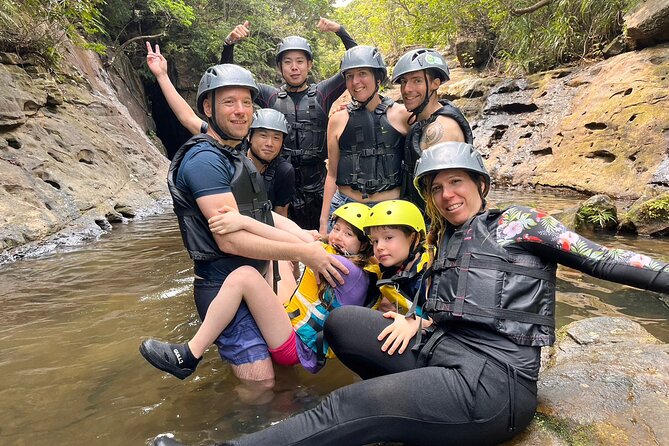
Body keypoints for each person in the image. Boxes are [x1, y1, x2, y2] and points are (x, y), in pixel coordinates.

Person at [160, 141, 666, 446]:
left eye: (458, 182)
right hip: (446, 350)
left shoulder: (520, 222)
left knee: (348, 407)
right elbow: (454, 307)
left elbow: (609, 259)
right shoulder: (444, 239)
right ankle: (410, 406)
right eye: (438, 187)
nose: (449, 194)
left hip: (497, 382)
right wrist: (419, 321)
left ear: (480, 184)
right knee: (342, 325)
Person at [148, 62, 349, 388]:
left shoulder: (233, 153)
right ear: (209, 108)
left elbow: (261, 215)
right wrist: (304, 252)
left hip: (256, 282)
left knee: (282, 375)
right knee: (261, 386)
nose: (241, 111)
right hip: (224, 287)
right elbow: (232, 241)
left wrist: (303, 234)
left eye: (246, 102)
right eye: (230, 102)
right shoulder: (205, 161)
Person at [140, 202, 373, 380]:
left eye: (348, 234)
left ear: (363, 245)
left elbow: (297, 242)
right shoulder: (354, 263)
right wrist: (249, 211)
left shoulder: (349, 270)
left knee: (245, 276)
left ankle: (189, 354)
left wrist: (244, 221)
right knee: (278, 259)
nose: (337, 237)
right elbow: (299, 236)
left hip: (296, 348)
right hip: (294, 325)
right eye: (337, 228)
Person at [221, 19, 358, 230]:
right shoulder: (270, 96)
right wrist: (229, 44)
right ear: (279, 67)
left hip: (317, 187)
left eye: (300, 61)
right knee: (281, 250)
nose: (294, 68)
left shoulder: (323, 93)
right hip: (279, 182)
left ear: (309, 65)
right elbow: (232, 78)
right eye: (287, 62)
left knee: (320, 244)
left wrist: (341, 31)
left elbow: (357, 63)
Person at [145, 43, 295, 217]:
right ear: (251, 137)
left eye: (246, 102)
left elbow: (272, 215)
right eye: (230, 102)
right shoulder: (217, 151)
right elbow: (188, 118)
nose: (269, 143)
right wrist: (162, 76)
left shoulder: (282, 170)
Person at [319, 46, 411, 234]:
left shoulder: (402, 115)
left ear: (378, 78)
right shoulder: (337, 119)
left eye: (362, 74)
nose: (355, 82)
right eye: (349, 76)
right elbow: (332, 175)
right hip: (345, 206)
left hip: (390, 208)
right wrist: (323, 221)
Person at [391, 48, 474, 209]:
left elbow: (448, 194)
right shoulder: (422, 120)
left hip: (434, 223)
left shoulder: (442, 129)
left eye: (417, 81)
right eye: (403, 81)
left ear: (435, 83)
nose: (407, 89)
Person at [363, 200, 430, 314]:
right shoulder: (385, 272)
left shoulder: (427, 279)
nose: (379, 247)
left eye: (388, 238)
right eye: (375, 241)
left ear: (415, 238)